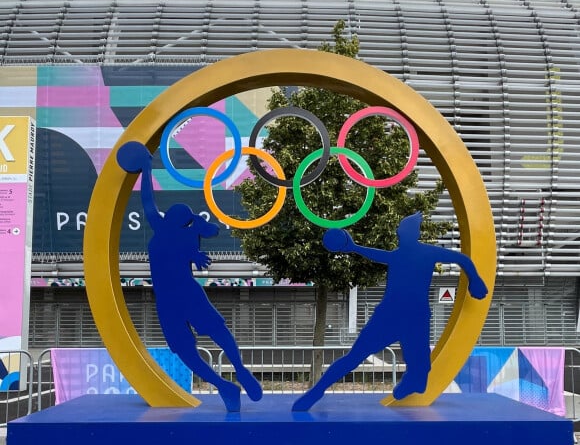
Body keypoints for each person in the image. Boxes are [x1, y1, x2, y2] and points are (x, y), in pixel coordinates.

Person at [117, 141, 262, 412]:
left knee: (186, 351)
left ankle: (224, 384)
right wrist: (195, 224)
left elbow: (148, 200)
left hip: (170, 300)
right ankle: (238, 371)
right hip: (187, 293)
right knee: (217, 332)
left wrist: (146, 169)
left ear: (170, 217)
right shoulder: (189, 233)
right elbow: (213, 230)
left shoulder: (161, 229)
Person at [292, 212, 488, 412]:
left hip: (403, 316)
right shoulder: (409, 254)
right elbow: (462, 259)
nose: (398, 232)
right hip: (403, 316)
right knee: (363, 358)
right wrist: (353, 248)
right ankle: (318, 390)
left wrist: (476, 279)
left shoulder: (415, 254)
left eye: (401, 229)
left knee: (411, 368)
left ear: (406, 233)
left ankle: (412, 382)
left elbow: (462, 259)